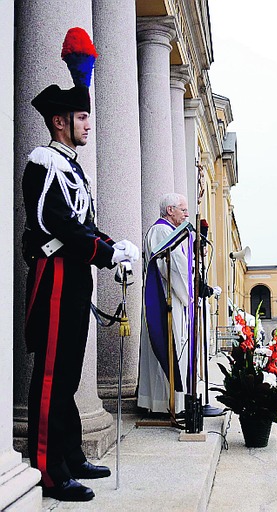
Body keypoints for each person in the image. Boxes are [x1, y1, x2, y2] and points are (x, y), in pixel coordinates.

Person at [22, 27, 139, 503]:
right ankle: (48, 469)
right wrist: (106, 252)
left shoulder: (69, 164)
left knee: (69, 373)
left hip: (73, 280)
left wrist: (115, 245)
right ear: (58, 122)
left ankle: (69, 455)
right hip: (54, 280)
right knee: (51, 375)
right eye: (81, 117)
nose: (88, 125)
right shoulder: (44, 164)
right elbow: (61, 226)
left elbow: (85, 224)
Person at [138, 193, 192, 415]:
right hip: (167, 299)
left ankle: (162, 402)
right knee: (170, 348)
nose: (187, 214)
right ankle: (168, 405)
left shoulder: (166, 231)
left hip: (167, 297)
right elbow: (174, 267)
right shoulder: (162, 230)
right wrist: (190, 294)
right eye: (183, 209)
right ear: (170, 210)